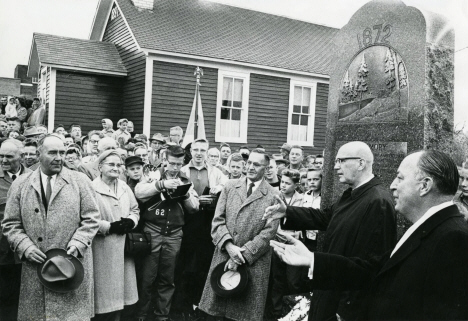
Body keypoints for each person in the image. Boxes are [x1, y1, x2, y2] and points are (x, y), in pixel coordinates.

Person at [271, 150, 468, 320]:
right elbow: (373, 271)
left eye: (400, 178)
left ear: (425, 186)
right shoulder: (427, 226)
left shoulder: (454, 238)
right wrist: (312, 259)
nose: (392, 185)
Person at [263, 141, 397, 321]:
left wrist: (345, 310)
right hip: (331, 290)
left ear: (361, 163)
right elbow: (325, 217)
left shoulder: (377, 202)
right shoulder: (353, 193)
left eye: (341, 161)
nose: (335, 167)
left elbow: (370, 267)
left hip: (344, 303)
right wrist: (287, 211)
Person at [2, 134, 100, 321]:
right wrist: (25, 246)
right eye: (53, 152)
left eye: (62, 152)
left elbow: (92, 218)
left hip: (71, 267)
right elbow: (11, 223)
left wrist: (78, 242)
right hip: (35, 269)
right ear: (39, 154)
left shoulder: (80, 181)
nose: (59, 158)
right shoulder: (21, 184)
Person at [199, 149, 280, 321]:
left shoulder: (274, 195)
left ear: (266, 169)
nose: (250, 167)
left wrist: (241, 255)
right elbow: (217, 220)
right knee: (217, 310)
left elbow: (269, 232)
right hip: (224, 254)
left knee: (242, 314)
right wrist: (228, 246)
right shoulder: (230, 186)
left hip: (253, 262)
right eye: (249, 162)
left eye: (256, 164)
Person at [135, 145, 199, 321]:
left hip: (174, 234)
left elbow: (194, 208)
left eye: (179, 164)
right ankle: (142, 313)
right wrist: (161, 185)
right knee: (147, 277)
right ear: (165, 160)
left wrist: (184, 193)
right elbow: (139, 193)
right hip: (152, 231)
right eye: (172, 164)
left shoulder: (186, 180)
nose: (175, 168)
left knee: (167, 278)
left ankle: (161, 315)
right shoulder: (153, 175)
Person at [175, 138, 228, 317]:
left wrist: (218, 187)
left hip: (206, 221)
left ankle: (200, 304)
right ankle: (183, 305)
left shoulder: (215, 172)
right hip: (185, 220)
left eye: (202, 150)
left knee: (202, 264)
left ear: (207, 153)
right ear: (190, 151)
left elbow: (228, 184)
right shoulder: (182, 170)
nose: (199, 153)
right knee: (184, 263)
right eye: (195, 150)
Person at [92, 150, 140, 321]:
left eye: (118, 165)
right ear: (100, 167)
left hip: (123, 247)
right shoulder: (92, 188)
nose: (116, 168)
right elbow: (86, 218)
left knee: (122, 292)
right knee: (104, 292)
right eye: (111, 164)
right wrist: (109, 226)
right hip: (102, 247)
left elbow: (135, 209)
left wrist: (131, 221)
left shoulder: (124, 186)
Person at [0, 139, 32, 320]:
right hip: (2, 251)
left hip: (25, 252)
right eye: (1, 156)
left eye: (8, 156)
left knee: (23, 299)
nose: (3, 160)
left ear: (21, 157)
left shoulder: (33, 177)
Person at [269, 169, 304, 319]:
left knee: (293, 281)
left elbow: (304, 219)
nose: (283, 185)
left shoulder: (302, 199)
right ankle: (276, 311)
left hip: (294, 244)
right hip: (277, 241)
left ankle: (292, 311)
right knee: (277, 279)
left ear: (296, 185)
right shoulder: (274, 196)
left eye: (287, 183)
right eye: (282, 182)